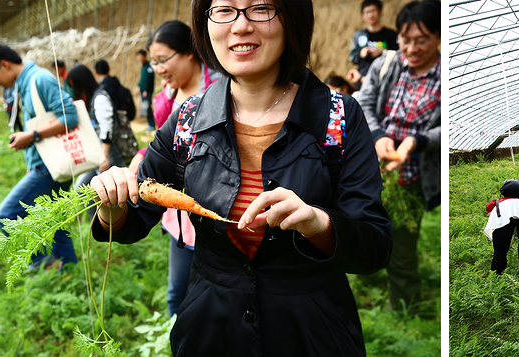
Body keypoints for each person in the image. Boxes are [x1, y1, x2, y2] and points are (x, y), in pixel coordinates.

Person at [89, 1, 392, 355]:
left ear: (291, 18)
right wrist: (112, 203)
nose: (241, 26)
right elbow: (133, 218)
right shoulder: (187, 120)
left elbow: (375, 245)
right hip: (209, 330)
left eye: (260, 8)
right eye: (225, 10)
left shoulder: (338, 118)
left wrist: (317, 223)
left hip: (312, 333)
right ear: (206, 24)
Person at [354, 0, 441, 312]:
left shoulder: (445, 77)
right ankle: (362, 286)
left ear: (439, 39)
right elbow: (362, 104)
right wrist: (379, 136)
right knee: (358, 227)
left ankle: (403, 309)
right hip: (370, 167)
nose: (412, 47)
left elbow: (445, 129)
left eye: (422, 40)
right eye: (406, 39)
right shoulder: (385, 65)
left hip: (411, 176)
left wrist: (414, 142)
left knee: (401, 242)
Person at [146, 19, 222, 318]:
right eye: (154, 63)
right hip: (179, 216)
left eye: (164, 60)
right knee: (176, 295)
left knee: (216, 293)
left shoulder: (220, 89)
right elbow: (160, 144)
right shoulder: (165, 98)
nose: (160, 69)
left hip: (216, 207)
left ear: (190, 52)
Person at [0, 43, 79, 272]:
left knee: (5, 214)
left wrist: (32, 135)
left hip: (50, 166)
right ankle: (69, 271)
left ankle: (43, 264)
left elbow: (70, 117)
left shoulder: (40, 79)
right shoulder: (24, 84)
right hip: (45, 164)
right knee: (54, 221)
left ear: (4, 65)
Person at [67, 64, 124, 197]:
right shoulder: (93, 98)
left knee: (107, 195)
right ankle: (97, 218)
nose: (75, 90)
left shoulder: (100, 99)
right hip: (99, 155)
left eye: (75, 86)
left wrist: (104, 157)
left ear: (82, 83)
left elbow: (107, 129)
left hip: (108, 156)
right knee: (83, 190)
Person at [483, 190, 519, 275]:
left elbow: (489, 205)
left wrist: (497, 239)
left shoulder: (502, 201)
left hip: (503, 211)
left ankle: (497, 276)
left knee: (500, 250)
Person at [347, 0, 399, 89]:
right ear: (362, 16)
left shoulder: (391, 34)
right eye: (367, 12)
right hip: (362, 81)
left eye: (373, 11)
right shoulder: (359, 35)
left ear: (380, 11)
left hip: (386, 80)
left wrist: (383, 52)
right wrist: (361, 53)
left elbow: (399, 55)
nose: (370, 15)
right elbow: (352, 58)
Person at [136, 50, 156, 129]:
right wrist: (138, 86)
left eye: (141, 56)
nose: (139, 58)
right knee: (146, 107)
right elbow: (142, 79)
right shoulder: (143, 66)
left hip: (146, 92)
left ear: (145, 56)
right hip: (143, 91)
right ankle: (149, 124)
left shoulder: (149, 66)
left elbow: (148, 80)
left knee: (148, 108)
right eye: (138, 56)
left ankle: (152, 125)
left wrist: (145, 90)